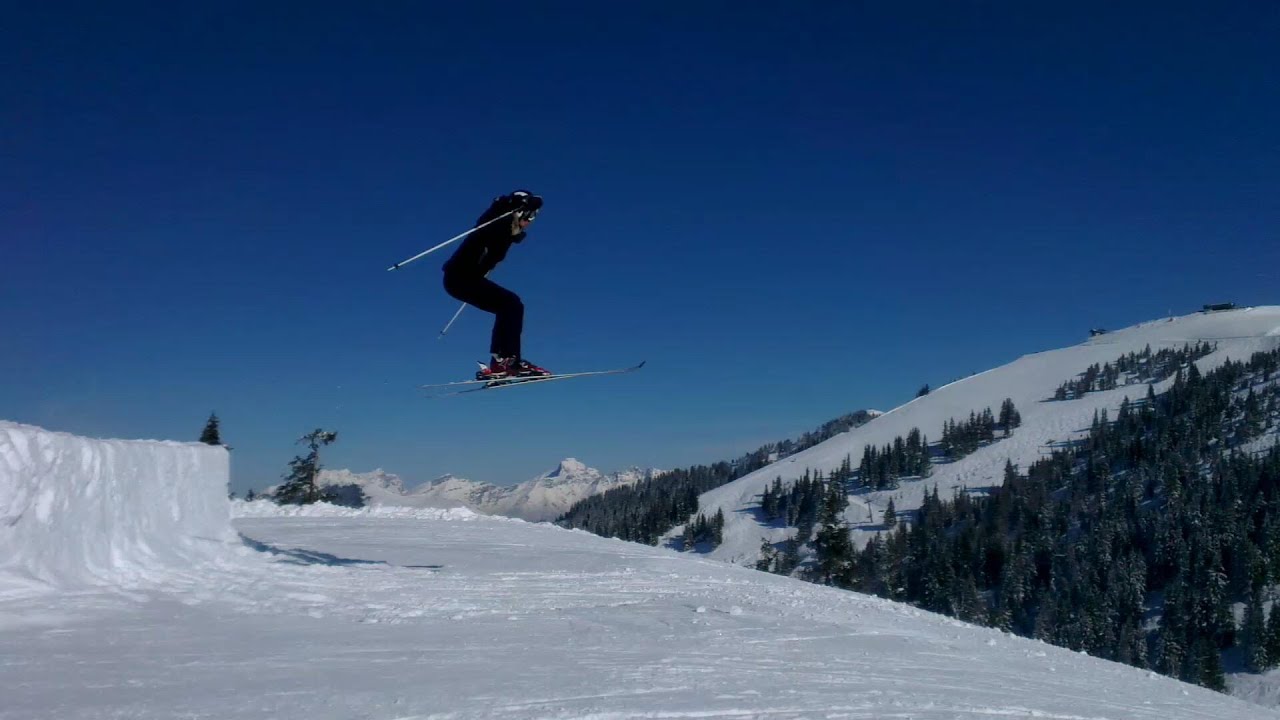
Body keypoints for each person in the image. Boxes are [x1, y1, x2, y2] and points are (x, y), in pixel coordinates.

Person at [442, 190, 551, 381]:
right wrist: (513, 202)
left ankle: (501, 362)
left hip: (466, 279)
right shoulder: (496, 222)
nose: (531, 221)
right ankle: (509, 360)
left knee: (508, 306)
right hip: (459, 277)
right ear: (519, 212)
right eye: (529, 216)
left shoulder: (508, 234)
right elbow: (494, 211)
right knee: (511, 304)